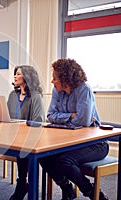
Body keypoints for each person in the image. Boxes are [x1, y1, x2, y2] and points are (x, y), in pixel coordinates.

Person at [39, 58, 109, 200]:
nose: (52, 81)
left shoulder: (84, 89)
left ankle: (94, 194)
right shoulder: (56, 91)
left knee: (65, 161)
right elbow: (50, 115)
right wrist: (71, 116)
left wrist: (64, 119)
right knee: (44, 157)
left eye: (55, 78)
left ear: (65, 78)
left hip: (96, 144)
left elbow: (83, 121)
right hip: (70, 141)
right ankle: (67, 188)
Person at [8, 65, 45, 200]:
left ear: (27, 77)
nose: (15, 77)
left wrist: (22, 124)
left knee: (24, 147)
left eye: (18, 74)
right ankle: (22, 183)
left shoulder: (35, 96)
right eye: (15, 74)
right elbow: (7, 116)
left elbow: (39, 121)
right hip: (14, 136)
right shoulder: (13, 95)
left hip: (32, 137)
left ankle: (22, 183)